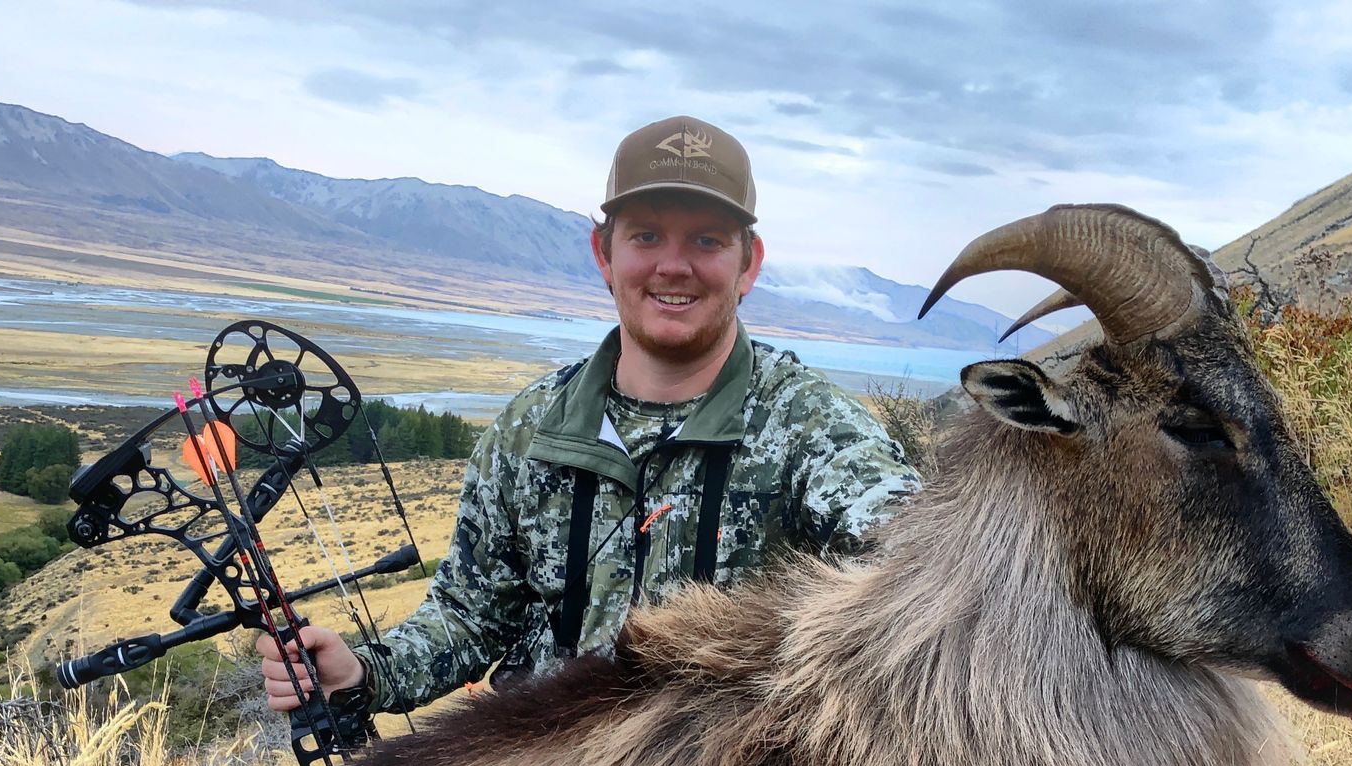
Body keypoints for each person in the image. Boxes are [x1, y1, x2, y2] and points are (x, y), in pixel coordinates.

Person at [259, 115, 921, 716]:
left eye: (708, 240)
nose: (673, 265)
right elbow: (469, 616)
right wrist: (364, 675)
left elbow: (920, 582)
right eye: (648, 235)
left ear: (748, 264)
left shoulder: (818, 434)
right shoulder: (528, 429)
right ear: (604, 253)